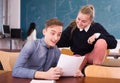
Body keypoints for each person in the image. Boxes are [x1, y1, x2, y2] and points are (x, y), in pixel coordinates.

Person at [57, 4, 117, 76]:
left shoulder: (96, 27)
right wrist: (49, 40)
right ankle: (79, 74)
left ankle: (96, 70)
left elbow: (113, 43)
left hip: (93, 56)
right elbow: (61, 40)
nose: (79, 23)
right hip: (79, 56)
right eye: (78, 19)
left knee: (102, 41)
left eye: (83, 21)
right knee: (73, 70)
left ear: (90, 21)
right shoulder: (72, 27)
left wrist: (97, 35)